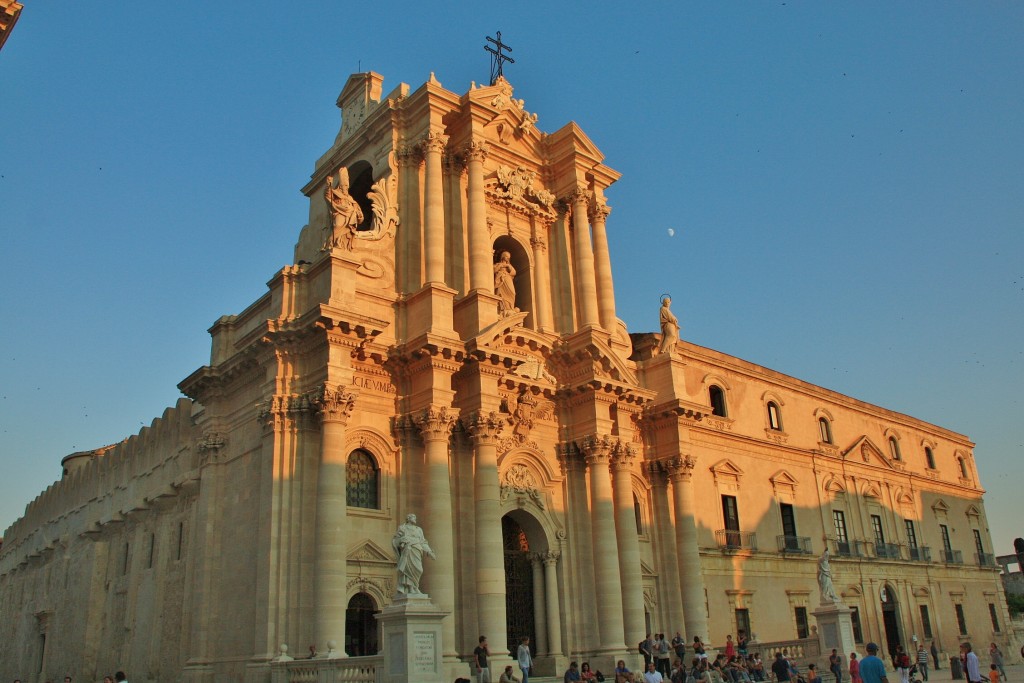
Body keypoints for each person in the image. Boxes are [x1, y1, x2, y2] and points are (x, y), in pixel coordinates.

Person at [392, 513, 436, 595]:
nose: (415, 519)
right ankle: (411, 588)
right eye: (413, 517)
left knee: (419, 569)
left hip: (417, 550)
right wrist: (402, 540)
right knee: (408, 569)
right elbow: (395, 541)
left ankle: (415, 586)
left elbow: (423, 542)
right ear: (408, 519)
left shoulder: (419, 529)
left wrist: (429, 552)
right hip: (408, 550)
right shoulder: (403, 528)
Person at [323, 167, 364, 251]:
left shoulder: (350, 198)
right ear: (340, 186)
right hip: (340, 213)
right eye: (344, 185)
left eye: (347, 186)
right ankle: (329, 244)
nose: (346, 187)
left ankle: (339, 243)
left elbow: (358, 210)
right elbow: (327, 194)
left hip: (349, 216)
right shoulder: (335, 193)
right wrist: (329, 185)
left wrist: (359, 215)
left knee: (346, 231)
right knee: (337, 226)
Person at [494, 251, 517, 316]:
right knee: (501, 294)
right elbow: (494, 270)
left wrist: (507, 266)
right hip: (501, 280)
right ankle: (504, 308)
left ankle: (510, 307)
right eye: (506, 256)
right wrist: (500, 266)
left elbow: (514, 272)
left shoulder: (509, 266)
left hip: (508, 279)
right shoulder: (498, 264)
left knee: (512, 293)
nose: (508, 258)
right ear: (503, 256)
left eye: (509, 257)